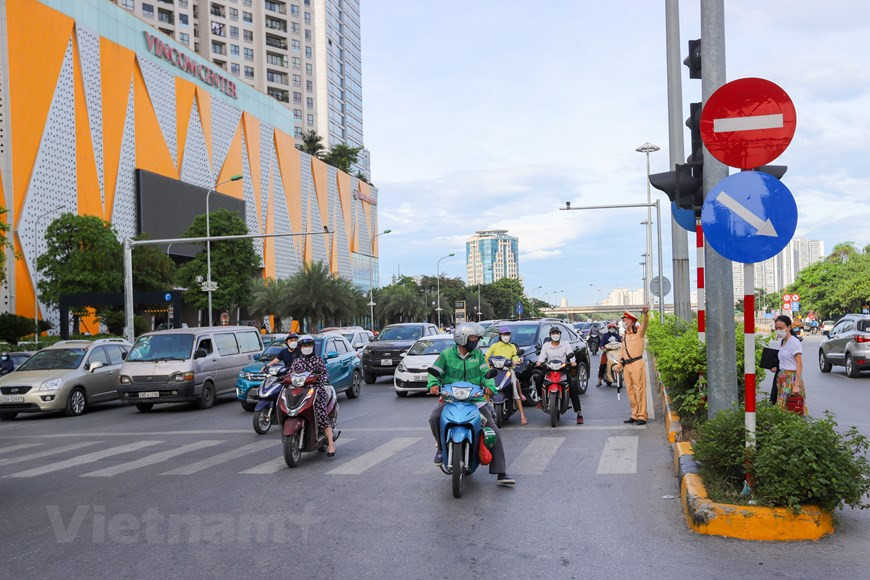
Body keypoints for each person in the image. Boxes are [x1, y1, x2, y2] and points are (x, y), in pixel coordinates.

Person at [427, 322, 515, 487]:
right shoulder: (446, 355)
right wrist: (432, 384)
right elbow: (435, 373)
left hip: (475, 401)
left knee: (493, 430)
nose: (476, 341)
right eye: (474, 337)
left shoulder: (479, 355)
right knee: (434, 418)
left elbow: (486, 374)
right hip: (451, 399)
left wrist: (490, 386)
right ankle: (440, 448)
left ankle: (501, 472)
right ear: (463, 338)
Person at [289, 335, 337, 455]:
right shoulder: (296, 362)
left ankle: (331, 444)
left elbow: (325, 374)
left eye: (309, 345)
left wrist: (321, 378)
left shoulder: (318, 360)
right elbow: (290, 375)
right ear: (300, 347)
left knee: (321, 416)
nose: (307, 348)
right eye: (304, 345)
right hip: (299, 392)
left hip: (316, 391)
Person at [535, 327, 584, 424]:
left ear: (560, 335)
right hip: (549, 367)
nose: (555, 334)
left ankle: (579, 413)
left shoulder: (565, 344)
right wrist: (539, 362)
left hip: (562, 368)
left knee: (573, 387)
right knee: (538, 379)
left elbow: (571, 354)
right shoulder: (546, 345)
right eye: (553, 333)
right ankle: (540, 399)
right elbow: (541, 357)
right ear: (550, 335)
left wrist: (573, 362)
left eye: (557, 333)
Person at [483, 326, 527, 426]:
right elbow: (486, 356)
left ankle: (523, 416)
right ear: (500, 336)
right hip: (494, 371)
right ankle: (484, 413)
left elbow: (515, 356)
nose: (506, 336)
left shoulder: (511, 347)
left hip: (508, 371)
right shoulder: (494, 346)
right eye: (504, 334)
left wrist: (515, 360)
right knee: (485, 387)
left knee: (515, 391)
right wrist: (486, 364)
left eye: (507, 334)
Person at [616, 305, 650, 425]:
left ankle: (642, 415)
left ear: (631, 320)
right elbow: (623, 350)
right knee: (630, 391)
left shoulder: (639, 332)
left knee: (639, 390)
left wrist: (645, 315)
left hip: (637, 363)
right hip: (627, 366)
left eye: (625, 319)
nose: (624, 321)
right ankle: (634, 414)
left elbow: (645, 325)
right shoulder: (625, 334)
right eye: (624, 319)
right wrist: (619, 364)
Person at [770, 315, 805, 415]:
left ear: (789, 327)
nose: (778, 330)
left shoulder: (794, 342)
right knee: (781, 409)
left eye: (781, 328)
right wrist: (777, 367)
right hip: (782, 379)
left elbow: (799, 364)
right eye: (776, 328)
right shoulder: (783, 342)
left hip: (791, 380)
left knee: (791, 409)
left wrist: (796, 385)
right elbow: (786, 360)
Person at [597, 323, 622, 387]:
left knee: (624, 362)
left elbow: (621, 342)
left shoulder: (617, 336)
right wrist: (602, 347)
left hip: (616, 352)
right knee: (602, 364)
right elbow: (601, 344)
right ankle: (599, 380)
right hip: (607, 352)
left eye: (613, 328)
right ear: (608, 329)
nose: (612, 329)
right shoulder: (605, 336)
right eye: (611, 328)